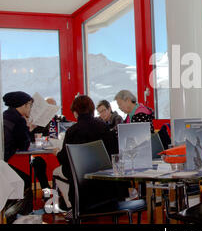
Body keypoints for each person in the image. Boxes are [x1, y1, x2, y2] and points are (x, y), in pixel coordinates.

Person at [56, 95, 128, 220]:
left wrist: (56, 153)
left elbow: (64, 159)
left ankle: (71, 206)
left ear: (75, 112)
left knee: (57, 171)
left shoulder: (72, 131)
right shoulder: (104, 127)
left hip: (82, 180)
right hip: (107, 183)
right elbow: (115, 152)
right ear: (92, 110)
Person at [2, 91, 49, 221]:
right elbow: (24, 145)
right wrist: (29, 128)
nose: (30, 109)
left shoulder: (5, 115)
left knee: (19, 179)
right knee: (24, 181)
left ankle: (13, 214)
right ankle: (21, 216)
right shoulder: (18, 120)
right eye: (29, 105)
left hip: (2, 162)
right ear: (23, 105)